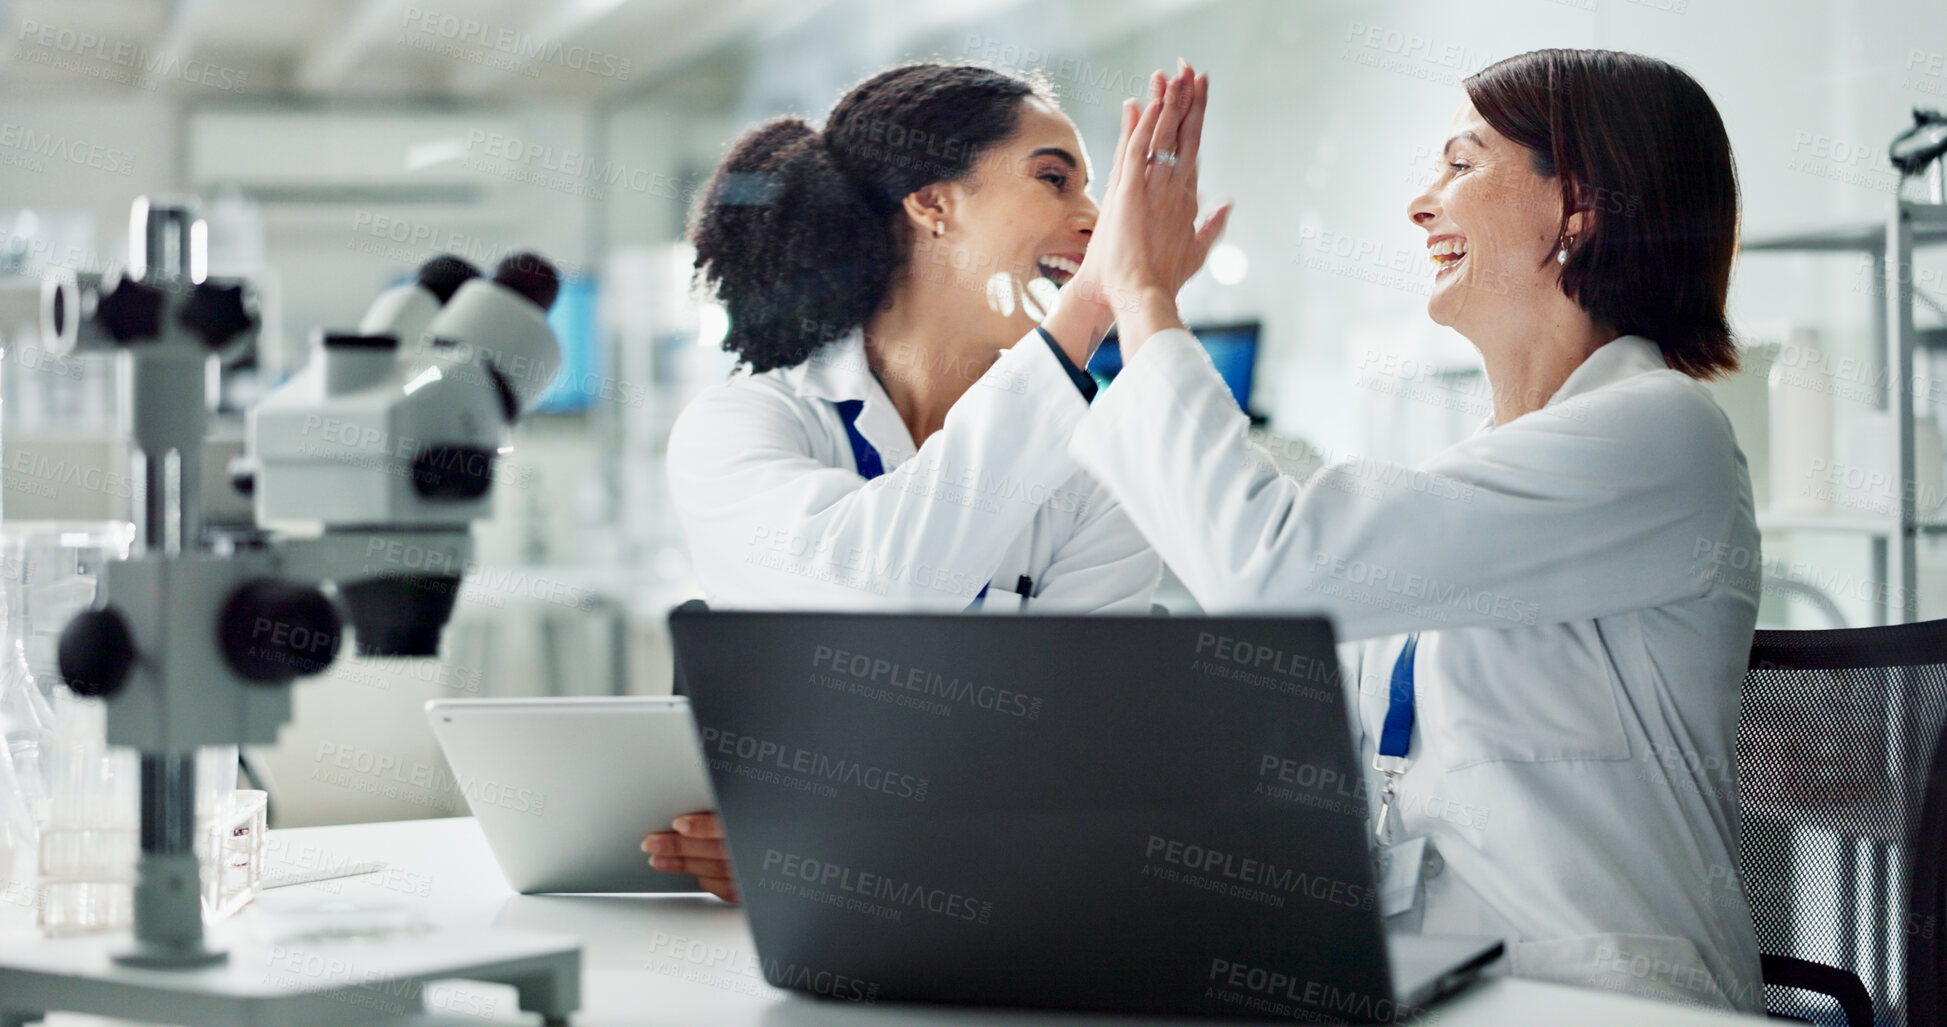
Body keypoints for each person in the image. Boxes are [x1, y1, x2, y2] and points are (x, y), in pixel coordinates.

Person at [1063, 49, 1764, 1012]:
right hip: (1427, 977)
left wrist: (1144, 297)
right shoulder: (1482, 465)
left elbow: (1275, 567)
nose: (1419, 204)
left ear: (1583, 206)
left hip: (1606, 995)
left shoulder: (1657, 432)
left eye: (1461, 164)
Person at [647, 62, 1229, 900]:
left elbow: (1079, 756)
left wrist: (836, 849)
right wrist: (1097, 304)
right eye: (1054, 179)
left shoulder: (1096, 454)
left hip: (999, 910)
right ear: (933, 204)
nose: (1093, 219)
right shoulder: (743, 427)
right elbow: (884, 584)